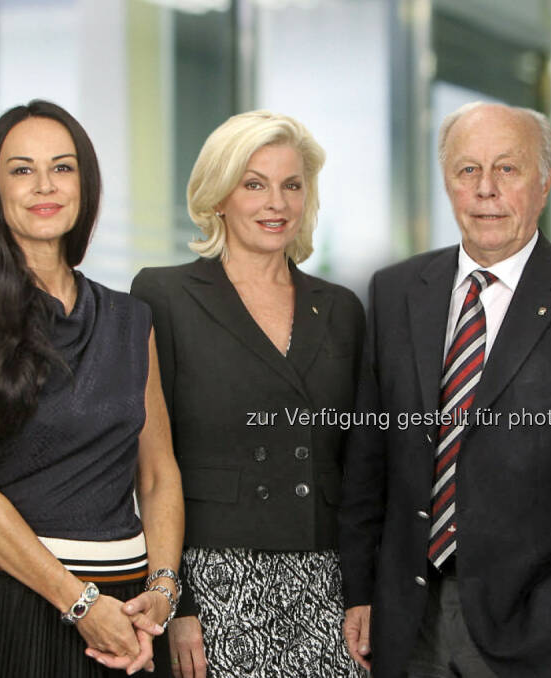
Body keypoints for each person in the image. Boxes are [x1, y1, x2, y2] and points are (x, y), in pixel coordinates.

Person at [338, 101, 551, 678]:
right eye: (468, 170)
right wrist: (361, 588)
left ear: (544, 184)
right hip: (408, 619)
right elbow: (370, 459)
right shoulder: (394, 293)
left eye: (507, 169)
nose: (485, 189)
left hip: (543, 623)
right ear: (448, 183)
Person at [0, 100, 184, 677]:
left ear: (85, 185)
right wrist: (79, 602)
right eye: (22, 170)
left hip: (131, 614)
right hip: (16, 604)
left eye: (62, 167)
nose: (44, 185)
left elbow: (157, 472)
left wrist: (164, 591)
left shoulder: (131, 319)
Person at [131, 110, 365, 678]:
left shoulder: (341, 309)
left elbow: (361, 466)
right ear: (218, 196)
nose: (276, 203)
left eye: (291, 185)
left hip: (325, 586)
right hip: (213, 584)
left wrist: (363, 592)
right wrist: (176, 601)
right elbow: (149, 465)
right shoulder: (163, 295)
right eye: (254, 184)